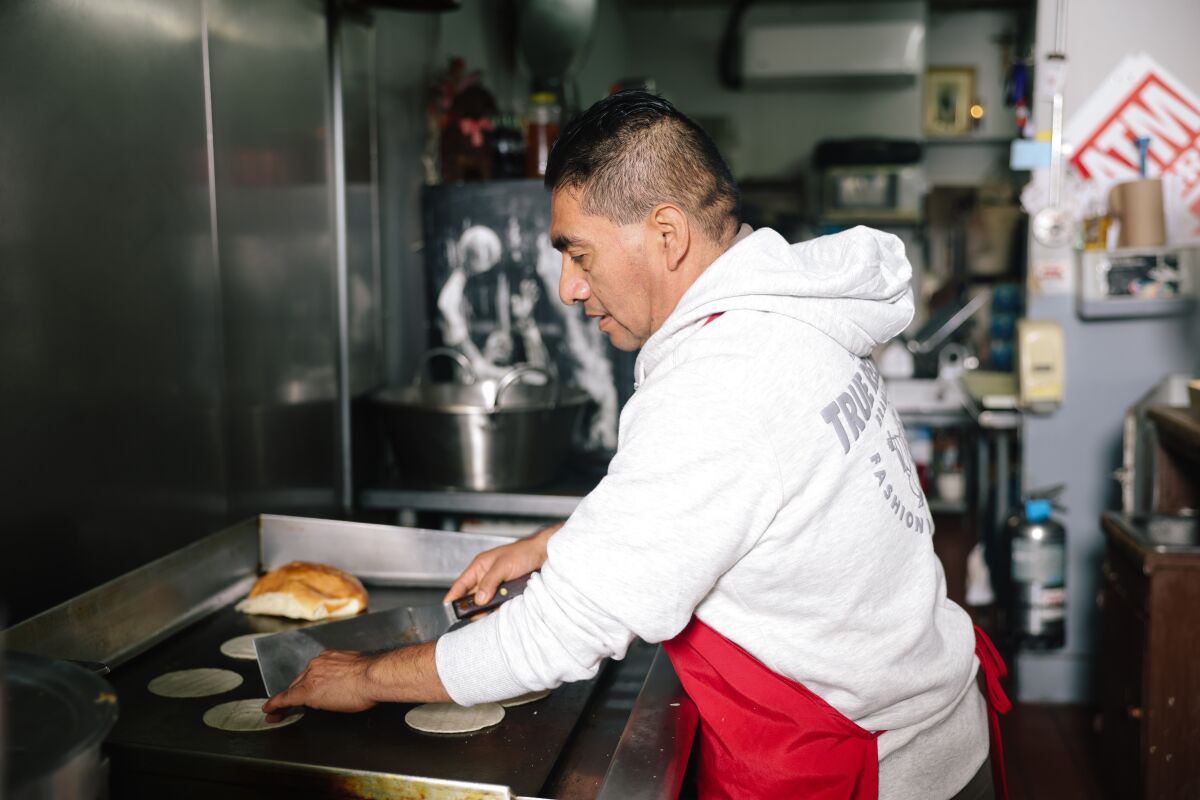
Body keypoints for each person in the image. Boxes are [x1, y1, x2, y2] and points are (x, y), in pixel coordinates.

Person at [264, 91, 1008, 800]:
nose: (567, 287)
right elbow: (747, 503)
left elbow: (554, 637)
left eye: (579, 254)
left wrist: (363, 678)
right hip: (933, 728)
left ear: (666, 235)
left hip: (872, 770)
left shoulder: (723, 379)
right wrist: (557, 543)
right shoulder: (785, 318)